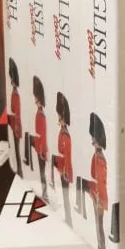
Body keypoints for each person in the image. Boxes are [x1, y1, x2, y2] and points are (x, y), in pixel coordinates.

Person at [82, 112, 108, 249]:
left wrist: (99, 198)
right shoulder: (98, 155)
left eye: (94, 138)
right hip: (97, 194)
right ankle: (101, 247)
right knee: (98, 224)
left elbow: (102, 182)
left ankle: (102, 248)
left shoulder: (99, 158)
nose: (92, 140)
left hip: (99, 196)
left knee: (99, 225)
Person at [50, 92, 73, 227]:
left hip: (65, 169)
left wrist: (65, 171)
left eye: (60, 117)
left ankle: (69, 219)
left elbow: (68, 156)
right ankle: (67, 217)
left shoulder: (65, 135)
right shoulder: (63, 132)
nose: (59, 120)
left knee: (66, 196)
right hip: (62, 167)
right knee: (64, 196)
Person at [26, 76, 48, 202]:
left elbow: (43, 134)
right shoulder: (40, 113)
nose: (35, 100)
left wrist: (41, 150)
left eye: (36, 98)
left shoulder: (41, 115)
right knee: (41, 172)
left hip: (41, 147)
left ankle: (45, 192)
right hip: (39, 144)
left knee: (42, 172)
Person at [7, 58, 22, 178]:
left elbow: (15, 110)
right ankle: (18, 167)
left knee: (17, 149)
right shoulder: (14, 93)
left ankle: (19, 168)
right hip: (14, 123)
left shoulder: (16, 94)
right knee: (15, 149)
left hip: (16, 125)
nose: (11, 81)